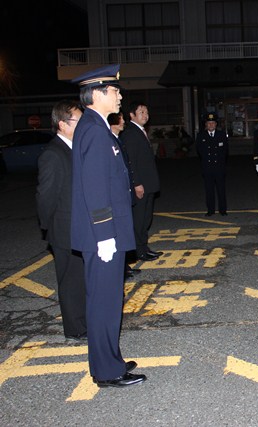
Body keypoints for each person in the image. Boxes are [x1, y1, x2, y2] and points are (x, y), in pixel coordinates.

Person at [70, 64, 145, 387]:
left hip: (107, 233)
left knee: (110, 301)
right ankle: (106, 371)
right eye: (115, 91)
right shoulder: (94, 131)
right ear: (98, 94)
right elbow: (95, 187)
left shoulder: (96, 127)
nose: (120, 95)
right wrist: (104, 237)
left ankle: (110, 359)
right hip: (103, 236)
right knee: (103, 303)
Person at [36, 100, 87, 342]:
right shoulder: (53, 154)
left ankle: (83, 320)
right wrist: (49, 227)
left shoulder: (73, 148)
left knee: (81, 277)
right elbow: (45, 196)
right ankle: (75, 328)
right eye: (79, 120)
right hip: (64, 227)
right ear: (62, 124)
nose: (83, 124)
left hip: (79, 226)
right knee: (70, 279)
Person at [120, 101, 163, 261]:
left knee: (146, 219)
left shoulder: (140, 131)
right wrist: (136, 183)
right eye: (141, 112)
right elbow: (130, 161)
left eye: (146, 112)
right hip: (141, 185)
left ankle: (144, 247)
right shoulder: (131, 133)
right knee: (139, 220)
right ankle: (139, 250)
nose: (145, 115)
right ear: (132, 115)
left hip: (148, 183)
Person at [108, 112, 140, 279]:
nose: (123, 121)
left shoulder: (118, 139)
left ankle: (124, 266)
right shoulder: (109, 139)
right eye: (120, 118)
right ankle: (122, 268)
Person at [196, 113, 229, 216]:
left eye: (213, 123)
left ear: (216, 124)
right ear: (206, 124)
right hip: (207, 168)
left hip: (219, 167)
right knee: (209, 191)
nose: (211, 125)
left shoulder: (221, 135)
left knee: (221, 190)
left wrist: (221, 164)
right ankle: (210, 210)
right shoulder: (201, 136)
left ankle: (222, 210)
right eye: (209, 123)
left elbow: (225, 151)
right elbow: (200, 150)